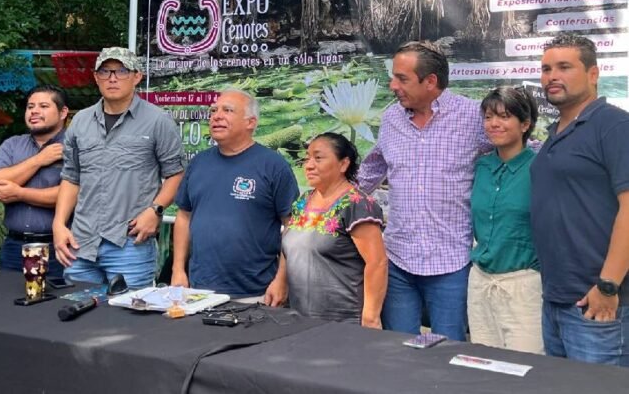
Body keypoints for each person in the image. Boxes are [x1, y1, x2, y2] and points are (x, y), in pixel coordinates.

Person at [358, 40, 492, 341]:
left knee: (448, 354)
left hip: (451, 263)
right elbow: (373, 166)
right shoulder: (392, 119)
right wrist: (334, 204)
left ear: (430, 81)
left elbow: (516, 150)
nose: (393, 85)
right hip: (398, 262)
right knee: (398, 350)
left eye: (402, 78)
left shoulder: (472, 116)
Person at [530, 34, 629, 366]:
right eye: (545, 69)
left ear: (593, 74)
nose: (551, 76)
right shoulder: (555, 132)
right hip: (557, 300)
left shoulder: (614, 126)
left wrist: (608, 286)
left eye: (564, 67)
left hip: (599, 305)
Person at [53, 47, 184, 289]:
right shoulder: (80, 121)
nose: (112, 78)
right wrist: (59, 225)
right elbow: (71, 178)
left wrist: (155, 210)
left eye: (121, 71)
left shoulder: (158, 121)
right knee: (76, 319)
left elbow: (176, 174)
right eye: (105, 71)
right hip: (80, 243)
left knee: (129, 318)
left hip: (130, 245)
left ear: (137, 77)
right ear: (96, 78)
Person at [171, 88, 299, 304]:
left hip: (256, 292)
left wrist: (282, 279)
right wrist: (177, 269)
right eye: (213, 111)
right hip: (198, 290)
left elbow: (292, 225)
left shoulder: (273, 166)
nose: (216, 116)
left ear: (251, 122)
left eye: (227, 110)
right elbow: (183, 217)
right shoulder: (199, 162)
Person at [467, 86, 543, 354]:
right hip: (481, 283)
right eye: (488, 117)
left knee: (525, 368)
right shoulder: (482, 167)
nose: (494, 124)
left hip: (523, 285)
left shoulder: (540, 168)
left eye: (504, 116)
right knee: (484, 366)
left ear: (525, 124)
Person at [283, 133, 386, 326]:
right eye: (307, 158)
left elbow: (377, 263)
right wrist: (279, 283)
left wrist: (371, 317)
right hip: (299, 316)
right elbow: (288, 248)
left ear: (343, 164)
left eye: (318, 158)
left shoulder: (357, 204)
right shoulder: (304, 200)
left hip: (342, 321)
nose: (309, 165)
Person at [0, 85, 69, 278]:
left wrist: (19, 193)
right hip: (14, 247)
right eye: (30, 106)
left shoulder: (74, 146)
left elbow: (72, 194)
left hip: (59, 247)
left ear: (63, 112)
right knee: (8, 304)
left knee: (56, 305)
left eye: (43, 106)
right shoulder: (13, 144)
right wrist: (38, 160)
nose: (34, 111)